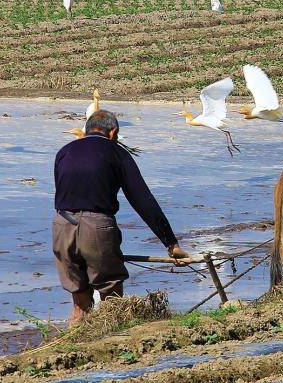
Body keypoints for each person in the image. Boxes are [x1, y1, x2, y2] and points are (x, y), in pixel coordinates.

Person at [53, 109, 188, 324]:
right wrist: (170, 243)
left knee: (79, 299)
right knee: (111, 296)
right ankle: (112, 339)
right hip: (96, 227)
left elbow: (63, 191)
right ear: (113, 132)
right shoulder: (116, 152)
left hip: (61, 226)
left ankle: (75, 342)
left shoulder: (64, 152)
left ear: (87, 130)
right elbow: (142, 199)